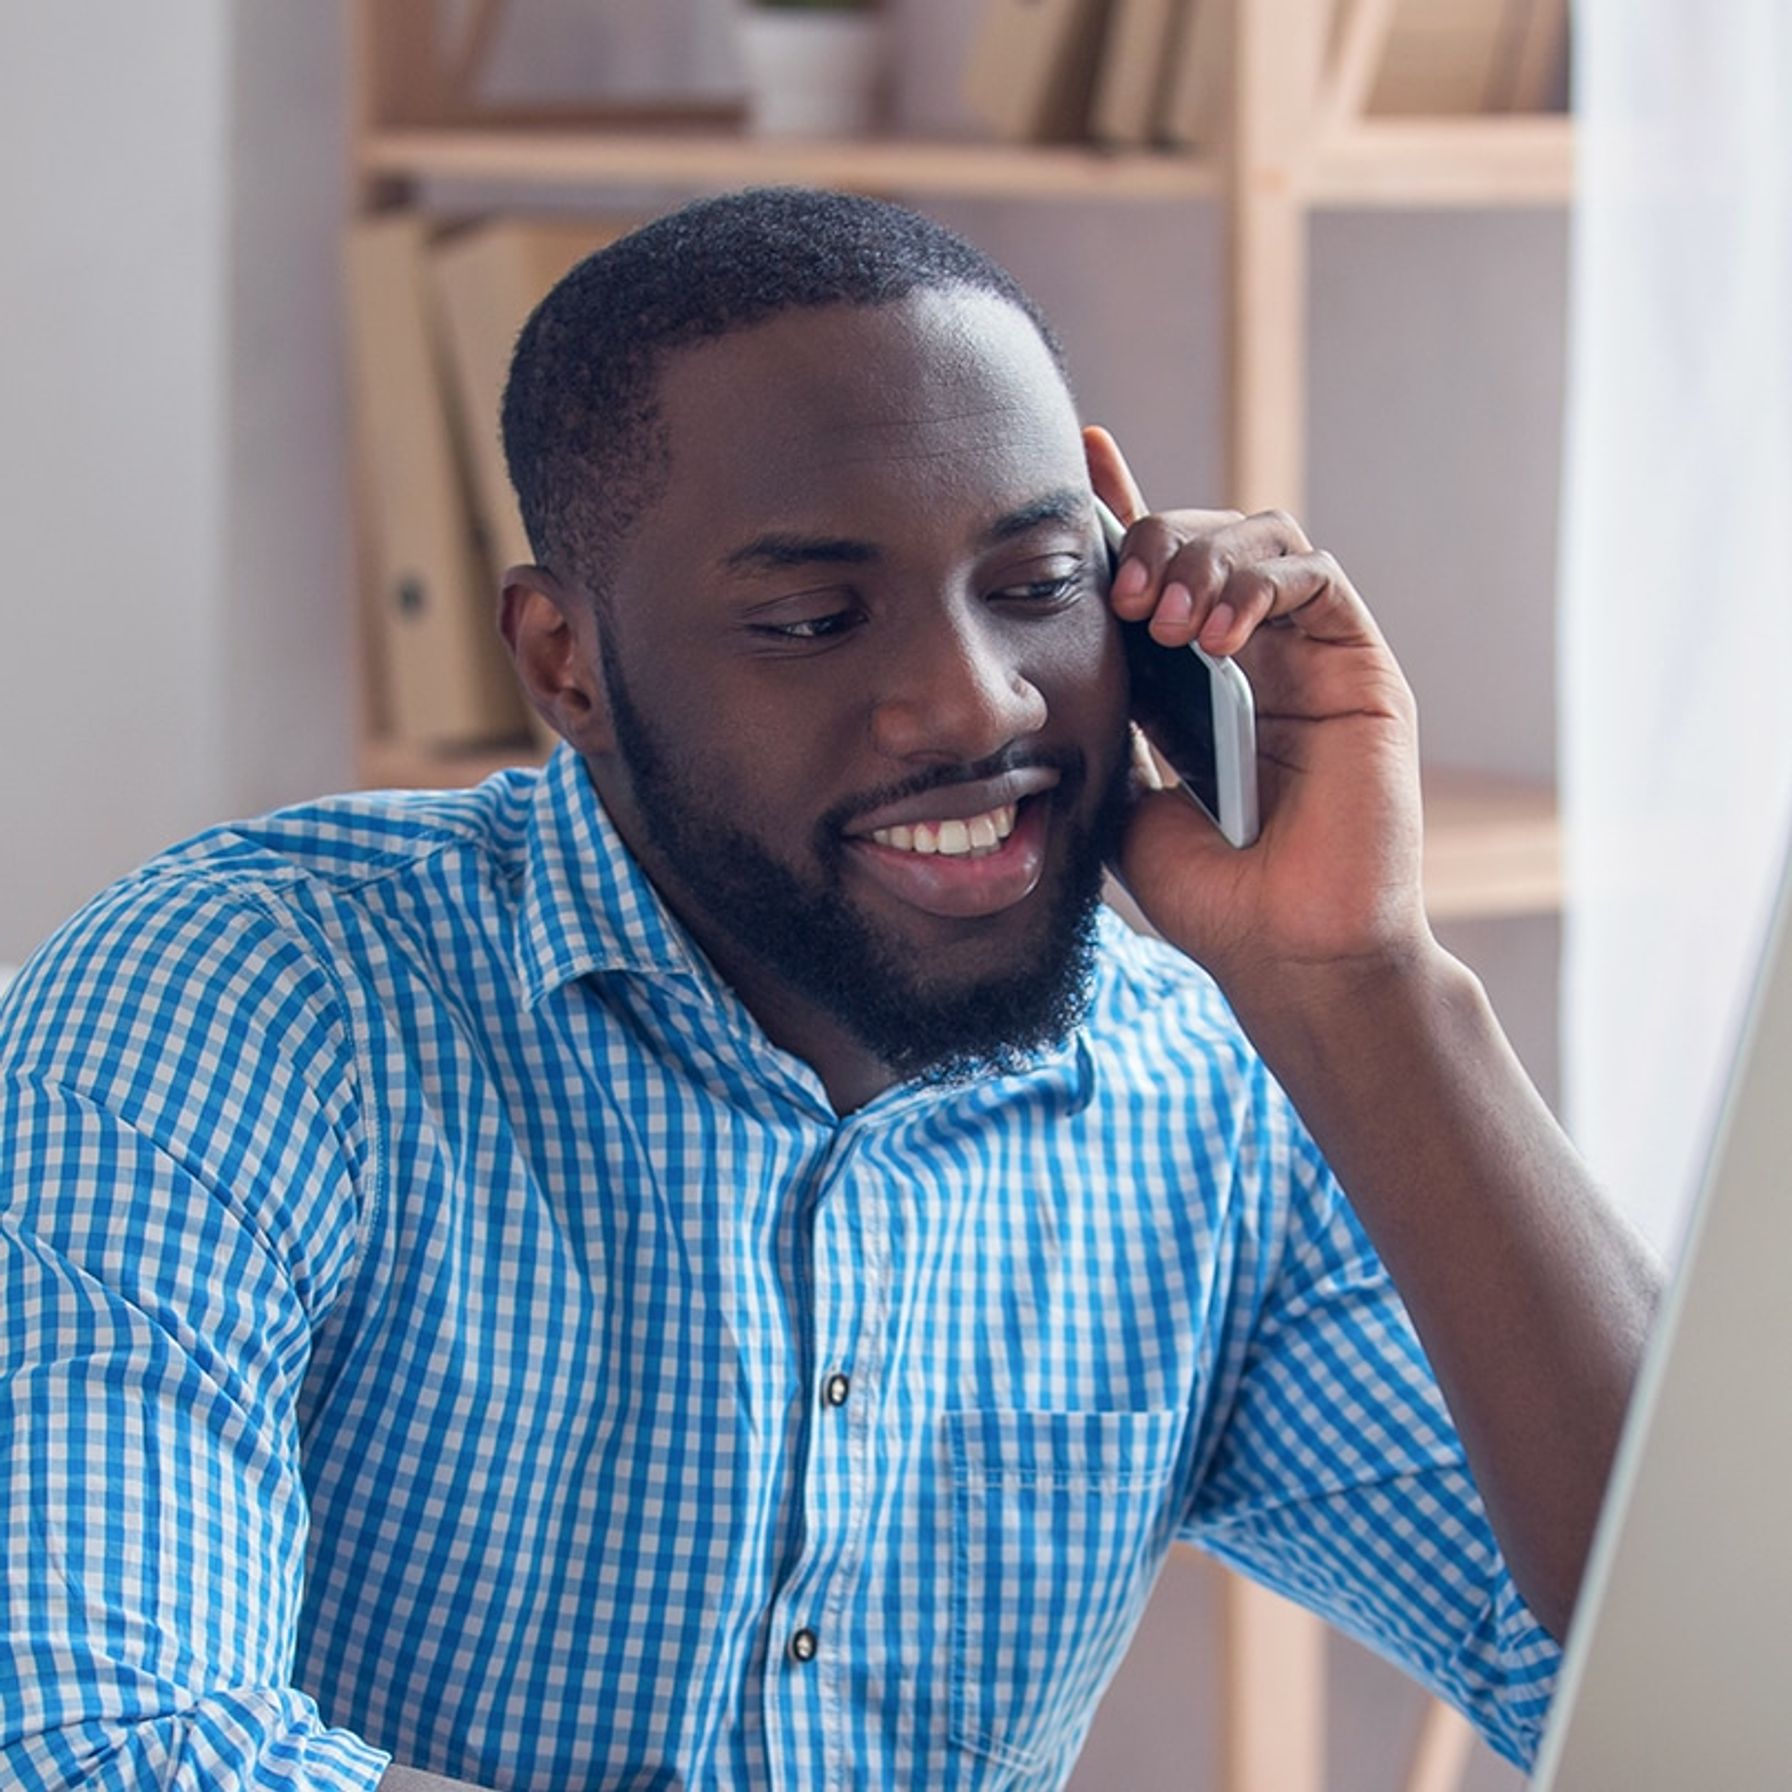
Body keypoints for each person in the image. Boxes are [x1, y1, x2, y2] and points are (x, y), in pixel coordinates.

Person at [0, 189, 1657, 1792]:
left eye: (1037, 586)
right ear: (565, 663)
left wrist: (1364, 988)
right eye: (808, 619)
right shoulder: (238, 1006)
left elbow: (1689, 1672)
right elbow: (92, 1742)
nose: (970, 701)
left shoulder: (1205, 1104)